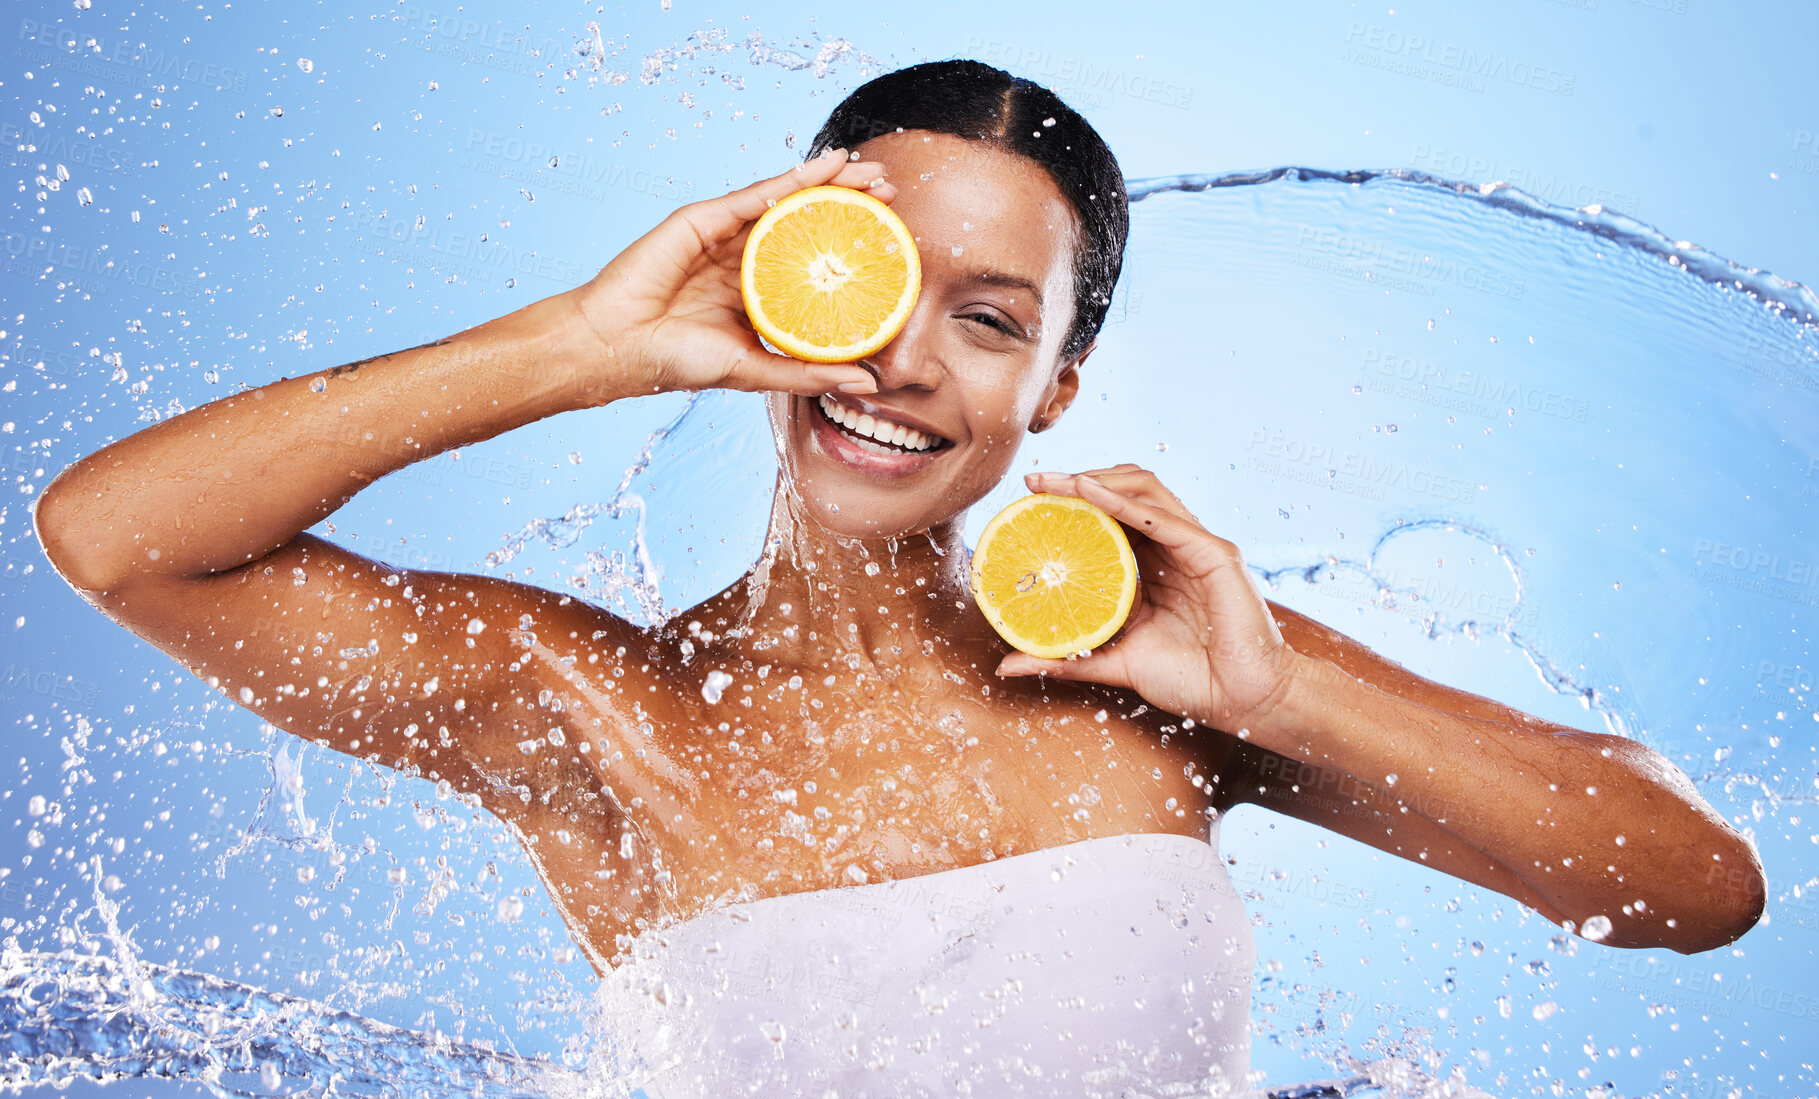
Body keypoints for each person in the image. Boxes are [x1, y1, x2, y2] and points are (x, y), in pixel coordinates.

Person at [33, 60, 1765, 1096]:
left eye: (992, 320)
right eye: (872, 285)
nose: (906, 364)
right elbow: (118, 537)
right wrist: (581, 343)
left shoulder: (1159, 659)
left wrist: (1279, 693)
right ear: (783, 287)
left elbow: (1695, 891)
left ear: (1053, 394)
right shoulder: (595, 712)